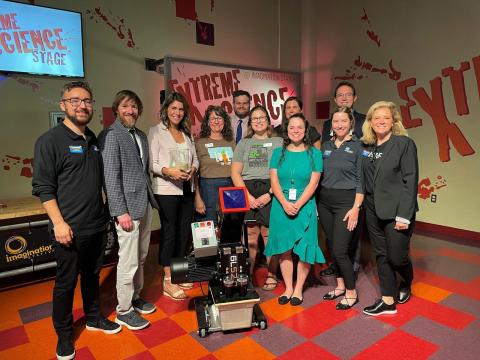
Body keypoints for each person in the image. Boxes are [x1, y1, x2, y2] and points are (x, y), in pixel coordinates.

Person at [32, 81, 121, 360]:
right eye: (75, 101)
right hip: (68, 229)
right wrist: (58, 223)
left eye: (87, 101)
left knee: (92, 277)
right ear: (63, 105)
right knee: (66, 283)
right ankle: (64, 334)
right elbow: (43, 188)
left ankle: (94, 318)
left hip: (96, 225)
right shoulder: (50, 141)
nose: (82, 106)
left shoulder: (92, 138)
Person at [99, 90, 158, 331]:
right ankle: (124, 311)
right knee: (128, 260)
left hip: (144, 203)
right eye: (126, 106)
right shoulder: (111, 135)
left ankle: (135, 297)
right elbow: (110, 177)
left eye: (134, 107)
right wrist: (119, 211)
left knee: (141, 257)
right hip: (126, 211)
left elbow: (142, 172)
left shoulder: (141, 136)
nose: (130, 111)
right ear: (117, 109)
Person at [361, 101, 418, 316]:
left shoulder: (404, 144)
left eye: (386, 117)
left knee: (397, 257)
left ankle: (406, 280)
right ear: (370, 122)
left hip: (397, 212)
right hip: (373, 210)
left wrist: (405, 215)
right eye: (376, 118)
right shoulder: (367, 146)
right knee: (382, 255)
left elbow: (410, 181)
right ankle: (387, 301)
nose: (381, 121)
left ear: (394, 121)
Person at [265, 113, 325, 305]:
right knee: (284, 249)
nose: (296, 130)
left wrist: (298, 204)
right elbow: (274, 181)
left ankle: (298, 289)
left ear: (305, 130)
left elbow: (314, 183)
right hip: (280, 206)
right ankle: (288, 288)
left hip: (305, 205)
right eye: (292, 127)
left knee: (304, 248)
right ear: (287, 130)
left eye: (300, 127)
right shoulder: (277, 153)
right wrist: (284, 203)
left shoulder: (315, 153)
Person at [148, 92, 198, 301]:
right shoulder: (156, 132)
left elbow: (195, 159)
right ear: (166, 110)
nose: (177, 112)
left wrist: (193, 170)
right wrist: (170, 172)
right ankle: (168, 279)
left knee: (183, 232)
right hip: (167, 189)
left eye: (180, 109)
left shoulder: (187, 133)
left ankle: (179, 272)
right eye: (173, 108)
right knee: (169, 232)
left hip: (188, 188)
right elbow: (151, 163)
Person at [231, 105, 283, 290]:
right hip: (248, 190)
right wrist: (247, 196)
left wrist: (270, 194)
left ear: (268, 121)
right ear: (250, 123)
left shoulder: (278, 141)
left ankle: (272, 274)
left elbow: (284, 171)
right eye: (255, 118)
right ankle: (247, 275)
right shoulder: (243, 144)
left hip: (272, 189)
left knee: (269, 236)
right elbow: (235, 173)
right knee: (250, 237)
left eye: (262, 118)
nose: (259, 121)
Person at [318, 107, 364, 310]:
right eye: (335, 121)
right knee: (330, 245)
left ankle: (351, 293)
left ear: (351, 123)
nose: (339, 124)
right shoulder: (325, 146)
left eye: (343, 121)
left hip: (347, 203)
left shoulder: (358, 146)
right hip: (325, 202)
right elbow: (318, 177)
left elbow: (362, 181)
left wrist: (356, 207)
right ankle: (340, 285)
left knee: (340, 250)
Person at [320, 81, 366, 277]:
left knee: (350, 235)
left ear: (355, 97)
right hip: (328, 194)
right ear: (335, 98)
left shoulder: (365, 121)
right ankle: (338, 265)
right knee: (334, 238)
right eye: (340, 95)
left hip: (352, 190)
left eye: (348, 94)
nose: (344, 98)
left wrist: (357, 203)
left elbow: (364, 159)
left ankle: (351, 266)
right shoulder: (327, 128)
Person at [195, 105, 235, 225]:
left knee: (229, 226)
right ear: (207, 122)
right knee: (208, 227)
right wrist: (197, 198)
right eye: (212, 118)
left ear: (225, 121)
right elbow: (194, 175)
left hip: (230, 186)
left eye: (219, 118)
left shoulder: (231, 142)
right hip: (207, 188)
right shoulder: (200, 143)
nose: (216, 121)